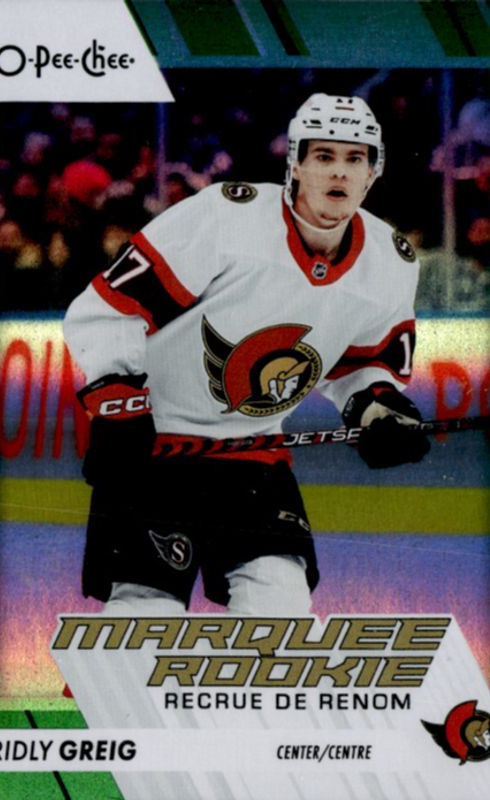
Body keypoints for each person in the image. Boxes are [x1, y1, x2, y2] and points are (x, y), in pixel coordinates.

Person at [63, 93, 430, 617]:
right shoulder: (225, 216)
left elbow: (363, 363)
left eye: (355, 158)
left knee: (282, 607)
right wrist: (118, 402)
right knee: (145, 616)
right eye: (324, 155)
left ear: (374, 171)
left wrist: (379, 410)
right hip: (156, 447)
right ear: (295, 163)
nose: (339, 172)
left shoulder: (390, 262)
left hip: (254, 455)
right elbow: (107, 308)